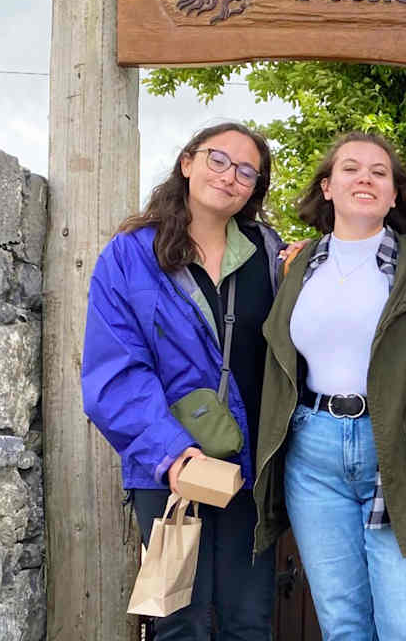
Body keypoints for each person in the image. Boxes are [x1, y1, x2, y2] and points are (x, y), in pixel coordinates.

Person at [250, 132, 406, 641]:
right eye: (351, 168)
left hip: (405, 451)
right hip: (313, 454)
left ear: (396, 193)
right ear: (328, 187)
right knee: (343, 626)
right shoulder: (296, 265)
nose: (365, 178)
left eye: (379, 172)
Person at [82, 122, 283, 640]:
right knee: (180, 622)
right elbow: (114, 370)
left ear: (254, 189)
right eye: (219, 159)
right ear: (188, 162)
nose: (230, 176)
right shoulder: (130, 255)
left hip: (248, 466)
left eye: (247, 171)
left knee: (249, 620)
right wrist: (171, 452)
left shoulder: (268, 253)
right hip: (168, 465)